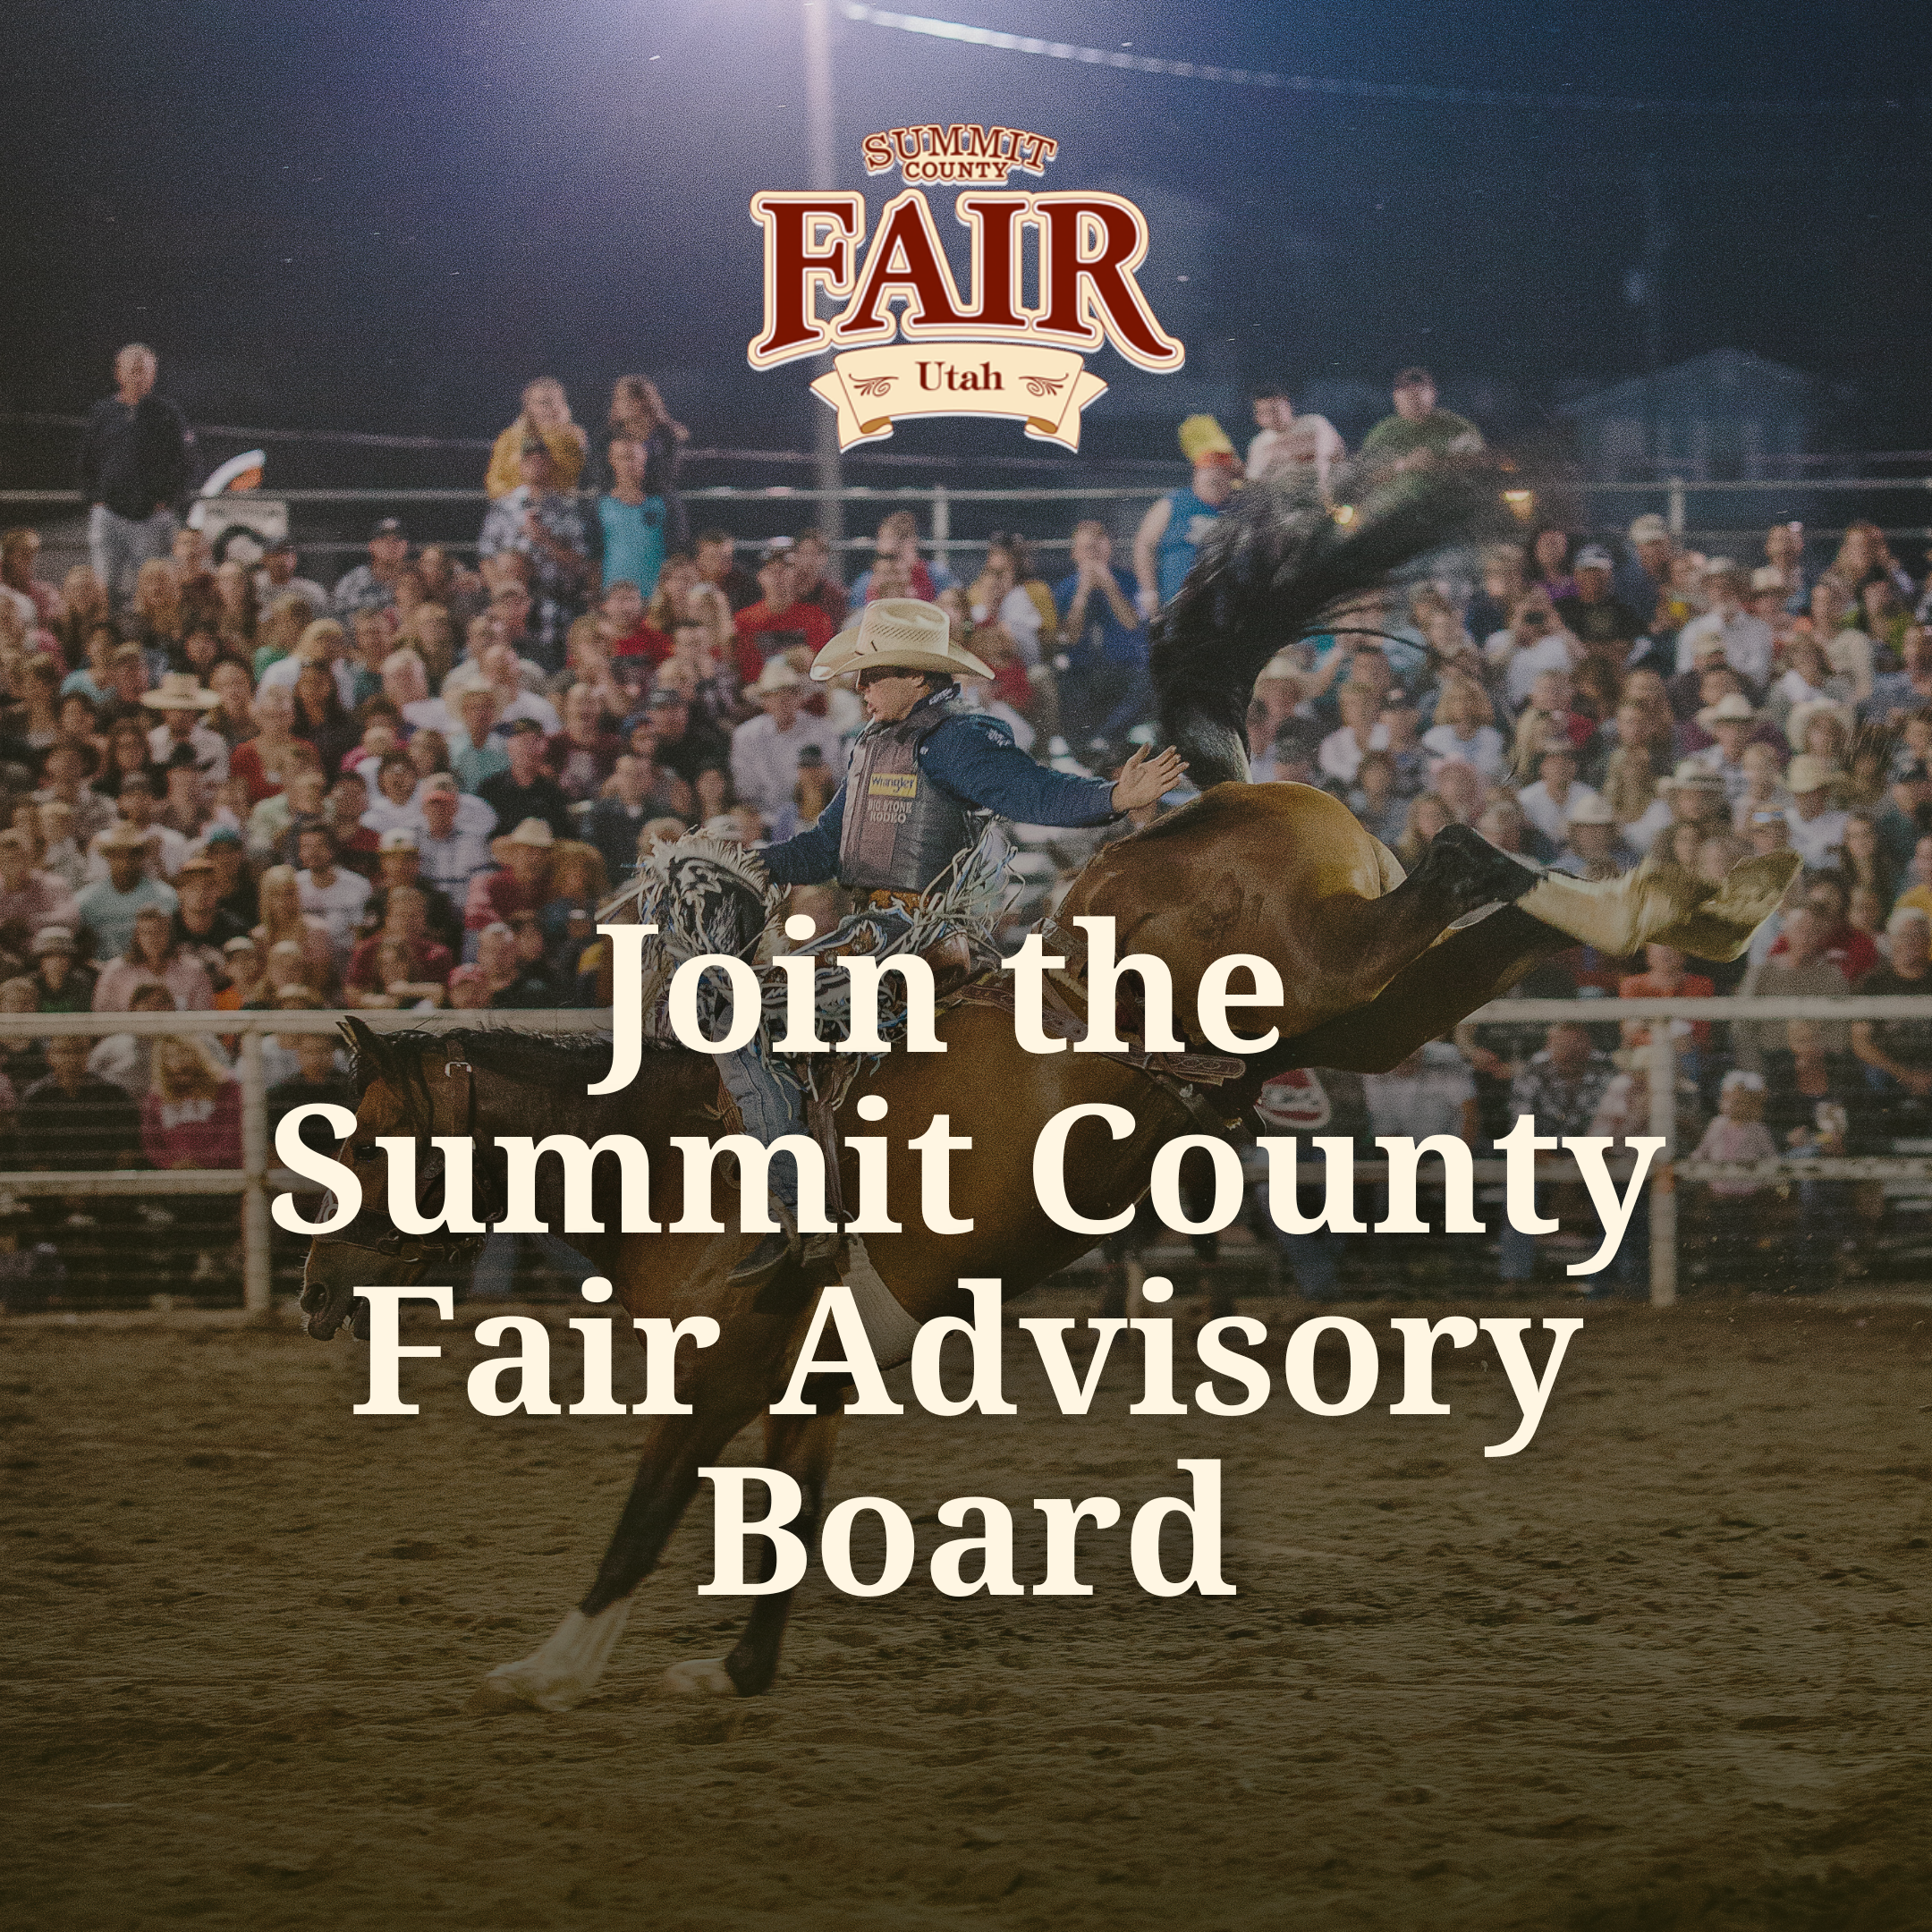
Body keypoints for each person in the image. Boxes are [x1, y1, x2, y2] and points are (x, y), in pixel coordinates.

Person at [700, 596, 1183, 1290]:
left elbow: (1032, 794)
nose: (858, 688)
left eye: (871, 676)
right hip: (870, 931)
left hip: (920, 939)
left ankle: (800, 1215)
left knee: (739, 1020)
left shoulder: (959, 737)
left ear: (917, 677)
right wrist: (744, 863)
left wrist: (1110, 796)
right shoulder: (871, 744)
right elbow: (825, 850)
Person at [78, 344, 195, 611]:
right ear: (119, 374)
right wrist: (94, 498)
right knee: (104, 588)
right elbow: (86, 460)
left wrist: (169, 499)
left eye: (145, 372)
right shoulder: (103, 412)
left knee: (155, 587)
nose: (139, 377)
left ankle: (154, 647)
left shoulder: (167, 413)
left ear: (153, 375)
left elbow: (187, 462)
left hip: (151, 518)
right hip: (109, 515)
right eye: (133, 371)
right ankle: (107, 643)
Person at [1498, 1021, 1616, 1284]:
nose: (1569, 1049)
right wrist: (1560, 1172)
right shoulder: (1533, 1070)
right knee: (1520, 1191)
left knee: (1622, 1195)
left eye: (1576, 1041)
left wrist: (1579, 1165)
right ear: (1549, 1044)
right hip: (1543, 1155)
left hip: (1596, 1155)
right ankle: (1515, 1280)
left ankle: (1606, 1283)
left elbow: (1612, 1126)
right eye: (1561, 1043)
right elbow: (1521, 1130)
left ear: (1587, 1042)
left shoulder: (1606, 1068)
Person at [478, 442, 590, 668]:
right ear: (520, 466)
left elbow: (580, 562)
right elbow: (486, 557)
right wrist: (506, 597)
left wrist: (544, 540)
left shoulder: (567, 509)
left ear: (550, 465)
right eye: (529, 460)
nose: (535, 465)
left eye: (541, 460)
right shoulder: (503, 508)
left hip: (555, 607)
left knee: (552, 667)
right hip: (511, 607)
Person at [1054, 521, 1148, 754]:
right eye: (1087, 549)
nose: (1093, 555)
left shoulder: (1127, 582)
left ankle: (1106, 738)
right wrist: (1083, 594)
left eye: (1098, 549)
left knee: (1149, 681)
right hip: (1082, 670)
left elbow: (1132, 623)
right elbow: (1070, 636)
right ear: (1075, 554)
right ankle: (1083, 747)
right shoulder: (1064, 589)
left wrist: (1110, 587)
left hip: (1121, 667)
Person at [1132, 417, 1240, 615]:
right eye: (1208, 467)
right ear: (1196, 471)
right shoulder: (1173, 503)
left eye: (1221, 469)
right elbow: (1144, 544)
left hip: (1230, 611)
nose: (1215, 474)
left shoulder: (1241, 506)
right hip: (1178, 610)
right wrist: (1149, 592)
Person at [731, 659, 826, 820]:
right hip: (761, 819)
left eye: (790, 694)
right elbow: (744, 788)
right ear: (764, 701)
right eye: (775, 695)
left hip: (812, 817)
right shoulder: (746, 735)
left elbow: (833, 779)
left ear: (800, 698)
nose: (783, 701)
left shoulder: (821, 730)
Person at [1852, 907, 1932, 1097]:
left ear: (1928, 941)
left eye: (1918, 935)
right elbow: (1860, 1042)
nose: (1911, 942)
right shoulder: (1871, 983)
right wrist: (1905, 1075)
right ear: (1891, 940)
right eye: (1904, 935)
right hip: (1889, 1072)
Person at [74, 822, 177, 961]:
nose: (125, 862)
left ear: (142, 857)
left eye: (132, 854)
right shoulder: (86, 900)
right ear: (108, 857)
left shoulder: (164, 896)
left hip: (148, 971)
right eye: (118, 855)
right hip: (102, 972)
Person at [485, 377, 589, 500]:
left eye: (559, 402)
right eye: (544, 403)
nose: (553, 408)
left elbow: (574, 478)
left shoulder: (573, 437)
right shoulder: (509, 438)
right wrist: (516, 498)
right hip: (513, 507)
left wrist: (563, 431)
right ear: (528, 407)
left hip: (557, 507)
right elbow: (493, 482)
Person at [1360, 368, 1483, 467]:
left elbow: (1478, 460)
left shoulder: (1458, 427)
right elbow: (1368, 471)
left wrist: (1438, 462)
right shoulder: (1382, 432)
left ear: (1433, 393)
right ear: (1395, 396)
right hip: (1399, 494)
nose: (1414, 397)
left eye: (1421, 389)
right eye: (1406, 390)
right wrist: (1404, 465)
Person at [477, 717, 573, 841]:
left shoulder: (553, 793)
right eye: (523, 742)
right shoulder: (490, 789)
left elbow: (562, 836)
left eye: (535, 741)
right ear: (509, 747)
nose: (529, 750)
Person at [595, 439, 667, 601]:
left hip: (658, 598)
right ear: (611, 460)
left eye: (633, 457)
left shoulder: (664, 502)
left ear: (644, 458)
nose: (629, 464)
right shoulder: (599, 505)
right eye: (623, 458)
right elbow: (593, 555)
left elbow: (678, 546)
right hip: (614, 596)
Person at [1244, 386, 1344, 495]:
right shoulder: (1259, 443)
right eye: (1265, 412)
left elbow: (1335, 453)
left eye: (1275, 410)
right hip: (1285, 501)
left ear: (1288, 405)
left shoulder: (1314, 423)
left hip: (1325, 493)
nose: (1273, 417)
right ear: (1257, 417)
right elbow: (1254, 480)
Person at [331, 517, 411, 624]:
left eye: (398, 539)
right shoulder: (351, 582)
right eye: (383, 539)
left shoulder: (418, 581)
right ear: (371, 546)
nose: (391, 544)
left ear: (406, 545)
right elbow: (339, 622)